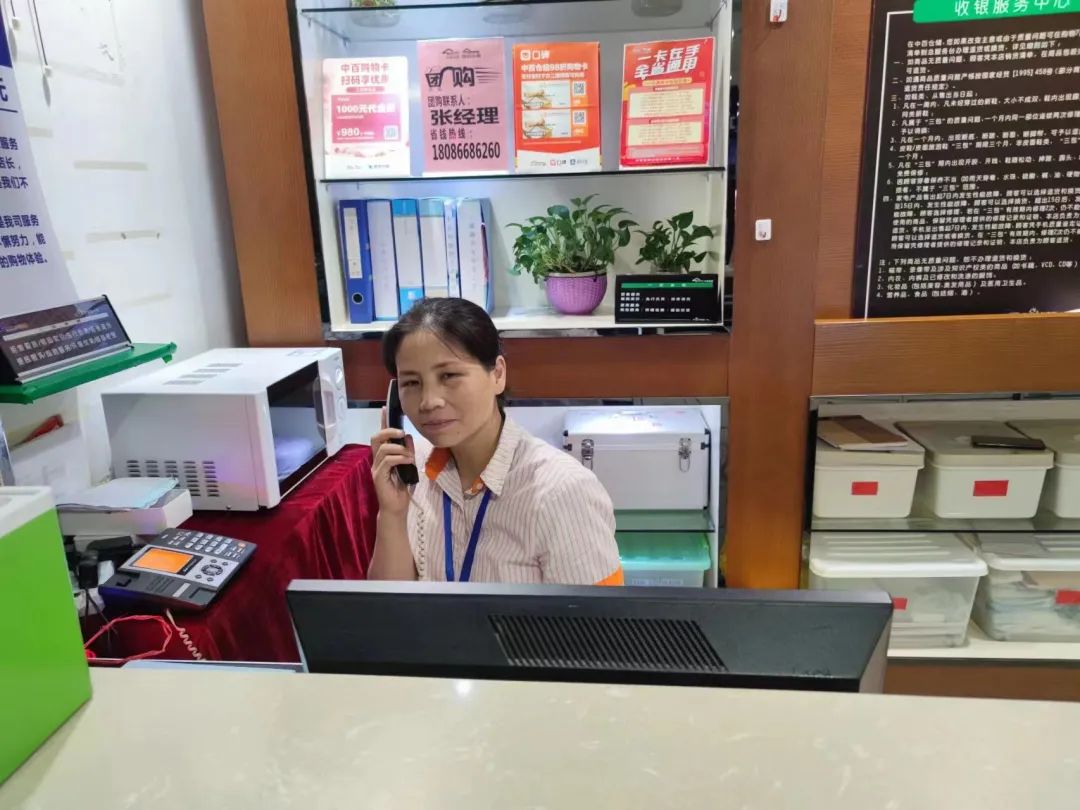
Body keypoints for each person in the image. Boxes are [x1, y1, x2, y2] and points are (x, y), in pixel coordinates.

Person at [369, 297, 623, 585]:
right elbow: (387, 607)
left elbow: (597, 614)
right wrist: (392, 514)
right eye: (411, 383)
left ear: (497, 375)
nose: (429, 401)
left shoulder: (562, 492)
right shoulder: (412, 472)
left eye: (449, 375)